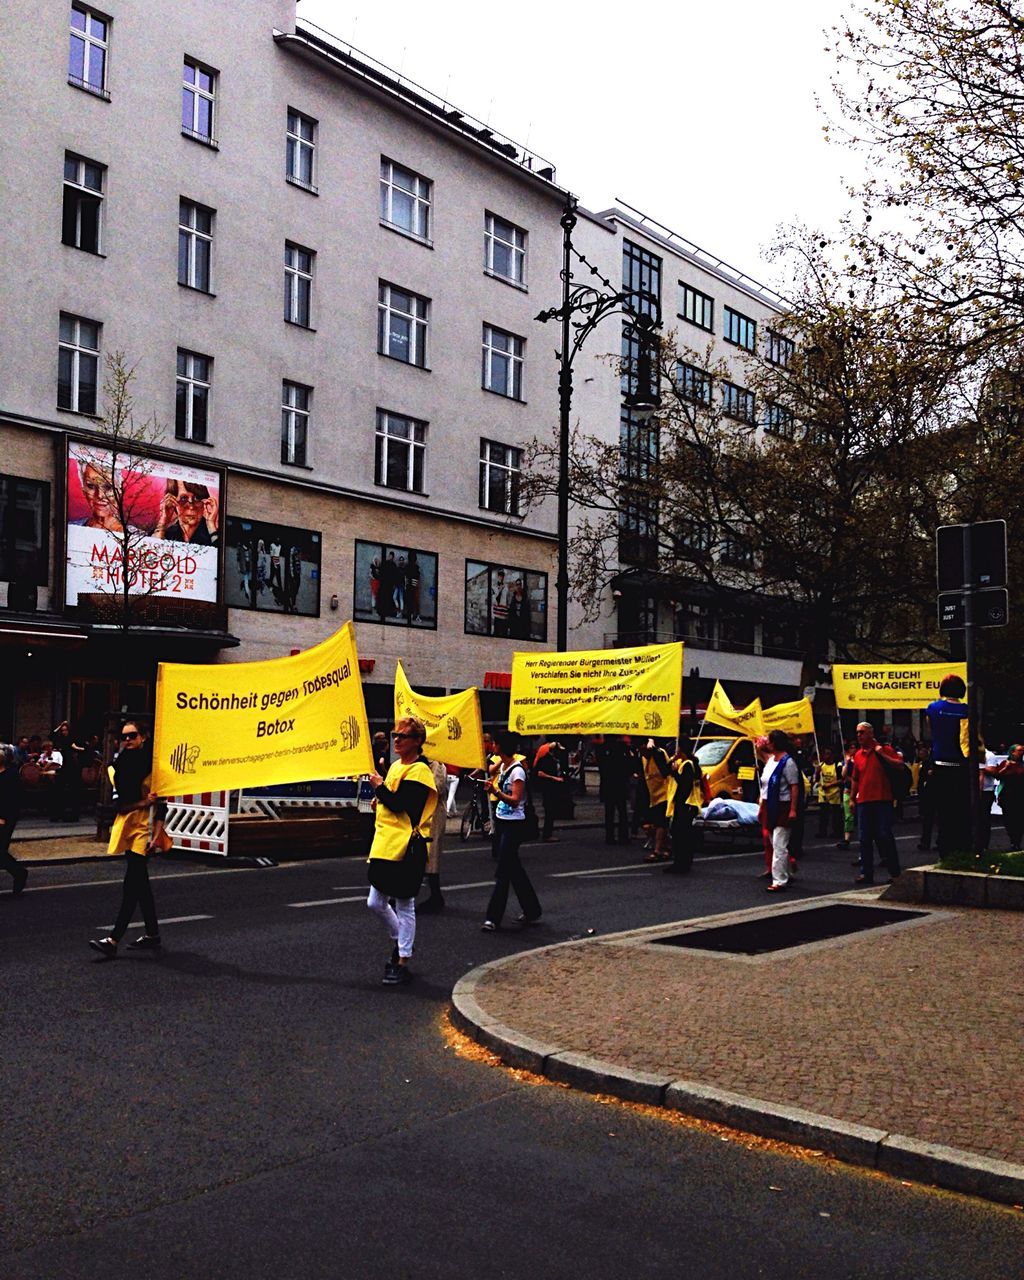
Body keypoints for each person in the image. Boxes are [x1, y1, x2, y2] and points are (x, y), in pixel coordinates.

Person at [366, 716, 437, 985]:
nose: (396, 739)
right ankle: (402, 941)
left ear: (417, 741)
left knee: (405, 903)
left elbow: (399, 804)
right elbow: (389, 801)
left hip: (406, 845)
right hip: (386, 843)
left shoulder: (420, 771)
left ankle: (402, 960)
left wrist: (379, 789)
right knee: (375, 902)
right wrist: (379, 799)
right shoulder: (396, 766)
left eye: (402, 736)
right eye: (395, 735)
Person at [88, 722, 167, 957]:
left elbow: (162, 803)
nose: (128, 740)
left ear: (143, 737)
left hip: (144, 828)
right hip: (128, 825)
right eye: (125, 737)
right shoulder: (121, 765)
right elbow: (119, 802)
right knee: (139, 883)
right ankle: (152, 935)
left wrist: (158, 832)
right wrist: (142, 802)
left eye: (133, 735)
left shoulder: (153, 766)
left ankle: (113, 939)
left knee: (132, 883)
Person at [482, 732, 541, 931]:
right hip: (502, 820)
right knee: (514, 869)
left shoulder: (517, 771)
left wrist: (496, 792)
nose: (492, 747)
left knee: (503, 871)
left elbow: (515, 799)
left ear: (501, 746)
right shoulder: (505, 766)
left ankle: (493, 917)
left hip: (515, 824)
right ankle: (532, 910)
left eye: (495, 744)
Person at [850, 721, 903, 885]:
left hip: (882, 799)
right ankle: (866, 872)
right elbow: (855, 779)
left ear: (871, 734)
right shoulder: (858, 755)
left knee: (884, 835)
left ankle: (895, 873)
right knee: (864, 838)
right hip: (864, 801)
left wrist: (882, 755)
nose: (859, 735)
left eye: (862, 732)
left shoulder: (884, 749)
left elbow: (900, 765)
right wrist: (852, 799)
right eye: (858, 732)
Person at [925, 672, 970, 855]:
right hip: (961, 765)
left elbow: (931, 732)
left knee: (943, 811)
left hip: (940, 764)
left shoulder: (934, 708)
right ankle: (962, 847)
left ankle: (945, 849)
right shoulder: (967, 710)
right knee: (961, 810)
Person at [760, 729, 803, 893]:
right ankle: (786, 872)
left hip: (783, 806)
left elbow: (794, 786)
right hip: (770, 805)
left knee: (779, 844)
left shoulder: (788, 762)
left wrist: (793, 809)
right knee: (774, 841)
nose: (768, 744)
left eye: (770, 741)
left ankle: (779, 880)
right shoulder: (771, 761)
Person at [665, 737, 702, 874]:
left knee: (681, 835)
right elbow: (666, 770)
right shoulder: (685, 763)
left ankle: (681, 863)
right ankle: (682, 862)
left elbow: (685, 785)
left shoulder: (687, 765)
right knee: (681, 834)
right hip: (685, 804)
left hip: (685, 804)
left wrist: (675, 773)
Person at [419, 754, 449, 913]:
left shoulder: (436, 764)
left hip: (434, 814)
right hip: (422, 813)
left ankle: (436, 896)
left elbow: (437, 787)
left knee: (432, 854)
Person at [153, 480, 219, 545]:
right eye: (183, 498)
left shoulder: (213, 533)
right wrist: (162, 522)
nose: (191, 507)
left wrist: (211, 525)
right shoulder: (165, 533)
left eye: (197, 498)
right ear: (172, 501)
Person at [596, 735, 634, 845]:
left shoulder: (601, 748)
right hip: (620, 783)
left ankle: (610, 836)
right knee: (622, 811)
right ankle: (624, 836)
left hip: (608, 784)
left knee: (609, 812)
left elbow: (601, 766)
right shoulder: (622, 747)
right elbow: (628, 764)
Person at [0, 742, 27, 895]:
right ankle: (19, 873)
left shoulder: (11, 776)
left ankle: (19, 873)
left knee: (0, 852)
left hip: (5, 819)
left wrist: (4, 817)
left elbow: (14, 799)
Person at [640, 738, 672, 862]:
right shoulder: (643, 758)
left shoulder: (658, 754)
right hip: (653, 796)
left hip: (665, 793)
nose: (643, 753)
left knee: (660, 823)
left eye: (644, 750)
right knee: (652, 825)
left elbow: (665, 772)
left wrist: (652, 746)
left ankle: (657, 851)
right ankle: (667, 847)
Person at [72, 459, 124, 533]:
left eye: (107, 487)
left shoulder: (137, 536)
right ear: (84, 490)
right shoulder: (72, 528)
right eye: (91, 486)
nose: (100, 495)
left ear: (119, 491)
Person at [992, 745, 1024, 849]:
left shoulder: (1022, 765)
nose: (1021, 752)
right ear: (1013, 752)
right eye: (1019, 750)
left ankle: (1017, 841)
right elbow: (997, 775)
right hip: (1008, 795)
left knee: (1020, 819)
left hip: (1020, 795)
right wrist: (1006, 767)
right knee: (1009, 818)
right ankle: (1012, 840)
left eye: (1022, 751)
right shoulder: (1005, 763)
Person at [533, 741, 566, 842]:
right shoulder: (546, 760)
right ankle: (547, 835)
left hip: (553, 789)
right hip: (548, 789)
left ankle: (548, 833)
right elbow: (539, 773)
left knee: (551, 811)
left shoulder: (555, 760)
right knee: (549, 811)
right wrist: (555, 778)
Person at [815, 747, 843, 839]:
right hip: (823, 794)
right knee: (823, 814)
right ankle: (822, 832)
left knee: (836, 814)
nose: (826, 756)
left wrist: (830, 785)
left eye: (828, 754)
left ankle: (837, 832)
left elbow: (841, 780)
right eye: (825, 754)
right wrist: (817, 772)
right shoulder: (821, 765)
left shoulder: (837, 765)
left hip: (834, 793)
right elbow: (817, 780)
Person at [978, 739, 1000, 852]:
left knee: (984, 818)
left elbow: (993, 771)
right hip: (974, 790)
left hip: (986, 790)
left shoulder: (989, 755)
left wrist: (981, 767)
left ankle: (984, 844)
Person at [915, 743, 937, 852]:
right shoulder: (922, 763)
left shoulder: (931, 763)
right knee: (926, 821)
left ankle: (937, 842)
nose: (920, 753)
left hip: (932, 794)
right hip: (925, 795)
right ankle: (925, 842)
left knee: (933, 819)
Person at [492, 570, 510, 637]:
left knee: (504, 635)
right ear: (497, 577)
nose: (501, 577)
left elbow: (507, 599)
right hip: (497, 616)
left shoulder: (506, 588)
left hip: (504, 616)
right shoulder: (494, 587)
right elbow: (494, 600)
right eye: (500, 575)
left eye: (502, 576)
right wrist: (500, 590)